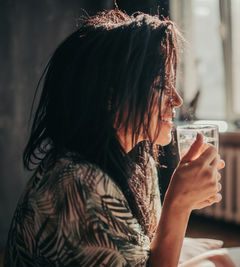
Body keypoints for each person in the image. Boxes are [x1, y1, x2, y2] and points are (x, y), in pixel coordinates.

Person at [5, 10, 224, 266]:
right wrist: (178, 205)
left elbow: (146, 254)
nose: (177, 99)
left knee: (220, 258)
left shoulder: (138, 162)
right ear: (110, 97)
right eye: (159, 85)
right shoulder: (78, 187)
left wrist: (182, 206)